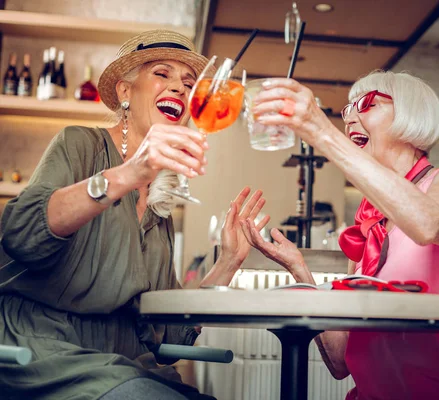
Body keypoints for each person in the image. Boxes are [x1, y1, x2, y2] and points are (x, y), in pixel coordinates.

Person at [0, 30, 269, 399]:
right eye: (163, 73)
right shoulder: (80, 144)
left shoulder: (160, 203)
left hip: (124, 360)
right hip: (45, 351)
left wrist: (228, 262)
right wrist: (129, 174)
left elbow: (167, 333)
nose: (179, 88)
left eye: (189, 83)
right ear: (125, 92)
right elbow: (21, 233)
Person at [240, 70, 439, 399]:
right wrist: (300, 269)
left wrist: (321, 131)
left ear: (412, 115)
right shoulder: (369, 225)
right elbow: (340, 362)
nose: (351, 116)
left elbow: (428, 224)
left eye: (367, 104)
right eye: (348, 109)